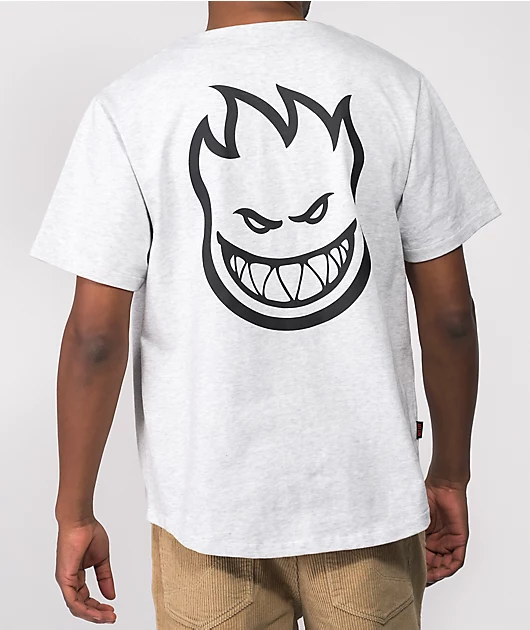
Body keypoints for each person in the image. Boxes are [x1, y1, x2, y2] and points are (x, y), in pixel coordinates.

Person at [30, 1, 501, 628]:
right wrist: (449, 474)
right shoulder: (395, 87)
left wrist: (74, 513)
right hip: (367, 501)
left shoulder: (131, 105)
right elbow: (451, 318)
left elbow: (94, 338)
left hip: (208, 514)